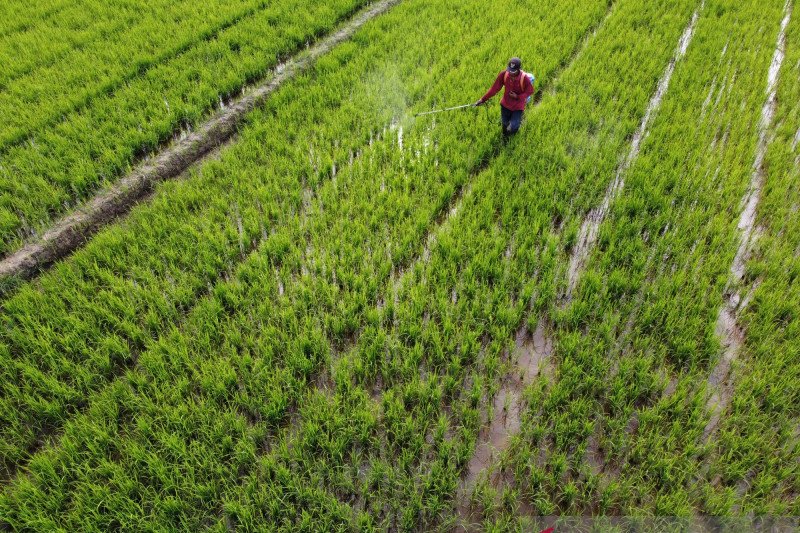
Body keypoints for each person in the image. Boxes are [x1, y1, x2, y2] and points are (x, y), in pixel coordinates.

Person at [475, 57, 534, 137]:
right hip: (505, 104)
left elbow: (530, 91)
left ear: (519, 69)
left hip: (517, 106)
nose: (510, 73)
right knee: (505, 124)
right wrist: (482, 99)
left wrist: (518, 96)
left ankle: (513, 136)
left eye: (513, 71)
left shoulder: (524, 78)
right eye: (509, 70)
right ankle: (504, 138)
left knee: (513, 126)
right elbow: (494, 88)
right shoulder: (504, 74)